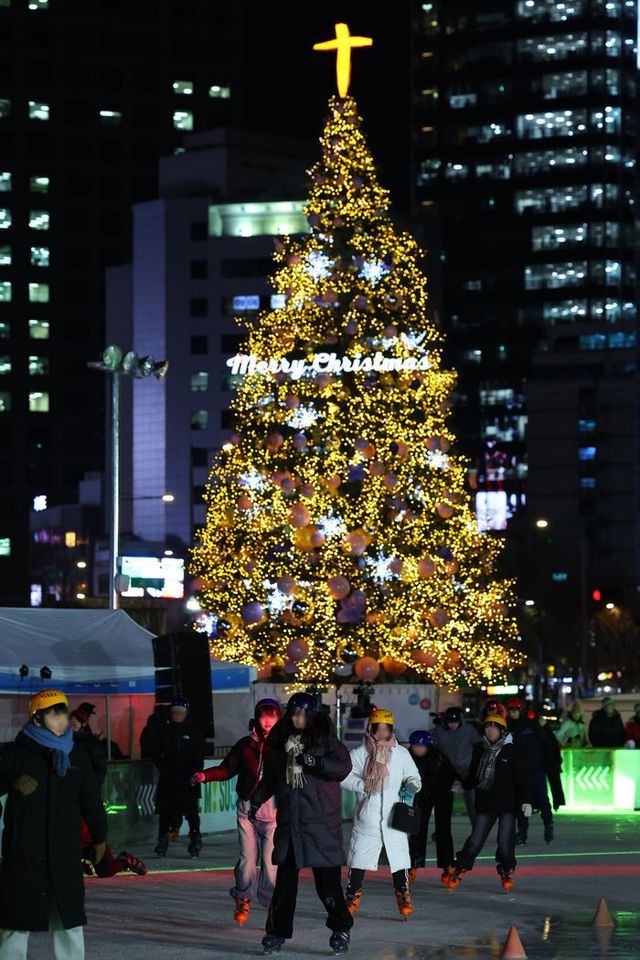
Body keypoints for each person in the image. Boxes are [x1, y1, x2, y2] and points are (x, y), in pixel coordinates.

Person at [0, 689, 108, 960]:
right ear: (37, 719)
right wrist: (11, 780)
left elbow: (91, 801)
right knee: (15, 922)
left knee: (69, 921)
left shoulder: (77, 756)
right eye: (54, 712)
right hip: (24, 854)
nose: (62, 718)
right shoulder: (15, 754)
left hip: (65, 853)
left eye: (63, 711)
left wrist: (100, 837)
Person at [249, 692, 353, 956]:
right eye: (294, 713)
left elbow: (343, 767)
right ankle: (275, 932)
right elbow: (272, 777)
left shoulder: (325, 739)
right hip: (291, 824)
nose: (297, 719)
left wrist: (314, 761)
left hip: (320, 824)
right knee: (284, 886)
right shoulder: (280, 741)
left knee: (327, 887)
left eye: (303, 715)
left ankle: (341, 927)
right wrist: (257, 798)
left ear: (312, 716)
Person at [191, 698, 281, 926]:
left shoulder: (284, 746)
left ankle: (271, 903)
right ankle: (243, 898)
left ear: (279, 718)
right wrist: (205, 775)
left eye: (272, 715)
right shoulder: (245, 745)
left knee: (271, 863)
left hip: (272, 813)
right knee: (247, 860)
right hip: (246, 811)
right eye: (264, 715)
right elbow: (227, 769)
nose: (268, 721)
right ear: (257, 717)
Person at [342, 708, 421, 920]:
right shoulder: (359, 754)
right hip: (368, 818)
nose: (383, 734)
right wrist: (362, 785)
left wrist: (411, 786)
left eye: (387, 729)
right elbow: (344, 776)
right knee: (359, 860)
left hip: (394, 818)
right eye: (379, 729)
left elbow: (415, 777)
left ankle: (403, 894)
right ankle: (352, 894)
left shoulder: (401, 754)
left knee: (400, 860)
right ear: (371, 729)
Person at [444, 713, 531, 892]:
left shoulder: (513, 750)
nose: (489, 731)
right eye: (487, 727)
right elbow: (473, 774)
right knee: (476, 839)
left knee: (505, 841)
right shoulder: (480, 749)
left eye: (494, 728)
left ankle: (506, 869)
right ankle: (460, 867)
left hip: (507, 803)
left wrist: (526, 801)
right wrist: (463, 784)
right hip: (486, 801)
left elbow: (522, 778)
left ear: (502, 731)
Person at [71, 707, 147, 878]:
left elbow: (99, 770)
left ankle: (123, 861)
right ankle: (85, 860)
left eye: (75, 722)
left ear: (83, 724)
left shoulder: (90, 745)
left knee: (105, 868)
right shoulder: (64, 743)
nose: (71, 725)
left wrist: (87, 788)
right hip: (72, 804)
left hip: (86, 800)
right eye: (70, 721)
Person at [151, 697, 205, 858]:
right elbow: (155, 752)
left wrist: (196, 773)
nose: (178, 716)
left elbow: (198, 756)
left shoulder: (193, 732)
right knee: (165, 812)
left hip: (188, 779)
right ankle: (162, 840)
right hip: (169, 779)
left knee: (191, 812)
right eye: (175, 713)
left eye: (181, 713)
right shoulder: (165, 731)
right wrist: (162, 768)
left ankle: (195, 838)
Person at [406, 730, 457, 886]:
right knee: (418, 831)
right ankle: (413, 864)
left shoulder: (438, 757)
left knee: (443, 830)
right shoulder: (406, 757)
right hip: (421, 796)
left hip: (442, 795)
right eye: (416, 746)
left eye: (422, 746)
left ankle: (447, 865)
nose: (419, 749)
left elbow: (450, 776)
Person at [506, 697, 553, 844]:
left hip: (535, 768)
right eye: (511, 710)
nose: (513, 713)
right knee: (522, 801)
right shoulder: (509, 727)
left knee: (542, 798)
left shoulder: (531, 725)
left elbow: (546, 743)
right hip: (519, 770)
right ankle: (522, 831)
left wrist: (549, 763)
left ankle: (548, 823)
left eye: (515, 710)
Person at [432, 705, 481, 824]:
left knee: (472, 803)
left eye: (455, 722)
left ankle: (477, 830)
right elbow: (433, 749)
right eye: (450, 722)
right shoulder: (439, 731)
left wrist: (475, 768)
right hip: (447, 771)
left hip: (466, 770)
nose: (452, 725)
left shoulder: (468, 729)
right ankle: (440, 831)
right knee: (444, 804)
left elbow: (478, 747)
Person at [535, 708, 565, 825]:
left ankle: (555, 803)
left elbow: (553, 746)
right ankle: (551, 804)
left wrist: (557, 759)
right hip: (546, 761)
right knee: (545, 785)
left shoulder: (543, 730)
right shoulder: (543, 730)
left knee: (551, 782)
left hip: (549, 761)